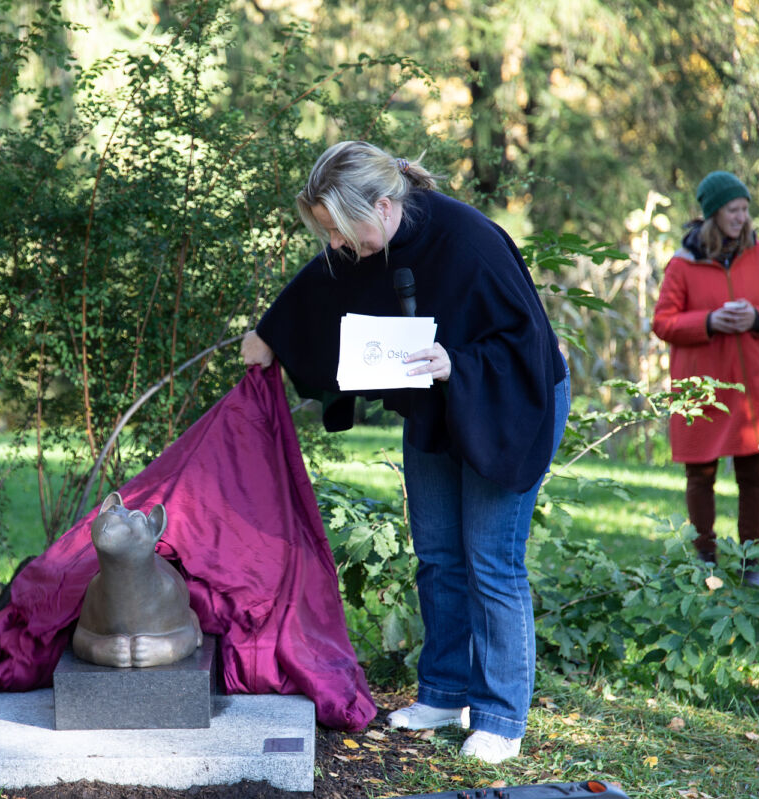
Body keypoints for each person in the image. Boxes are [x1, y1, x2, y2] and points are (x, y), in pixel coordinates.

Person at [242, 140, 569, 764]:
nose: (336, 245)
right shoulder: (364, 241)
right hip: (437, 406)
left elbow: (525, 347)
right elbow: (319, 288)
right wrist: (270, 335)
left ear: (385, 206)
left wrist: (460, 363)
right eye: (327, 232)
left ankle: (501, 717)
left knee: (491, 561)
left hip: (509, 400)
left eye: (340, 230)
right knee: (439, 554)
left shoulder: (472, 242)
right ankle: (445, 693)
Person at [651, 170, 759, 586]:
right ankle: (705, 556)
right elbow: (664, 323)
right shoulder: (683, 264)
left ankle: (749, 559)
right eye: (733, 210)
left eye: (745, 209)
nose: (742, 217)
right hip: (702, 389)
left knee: (753, 475)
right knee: (700, 475)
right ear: (713, 214)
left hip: (753, 387)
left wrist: (757, 317)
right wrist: (710, 321)